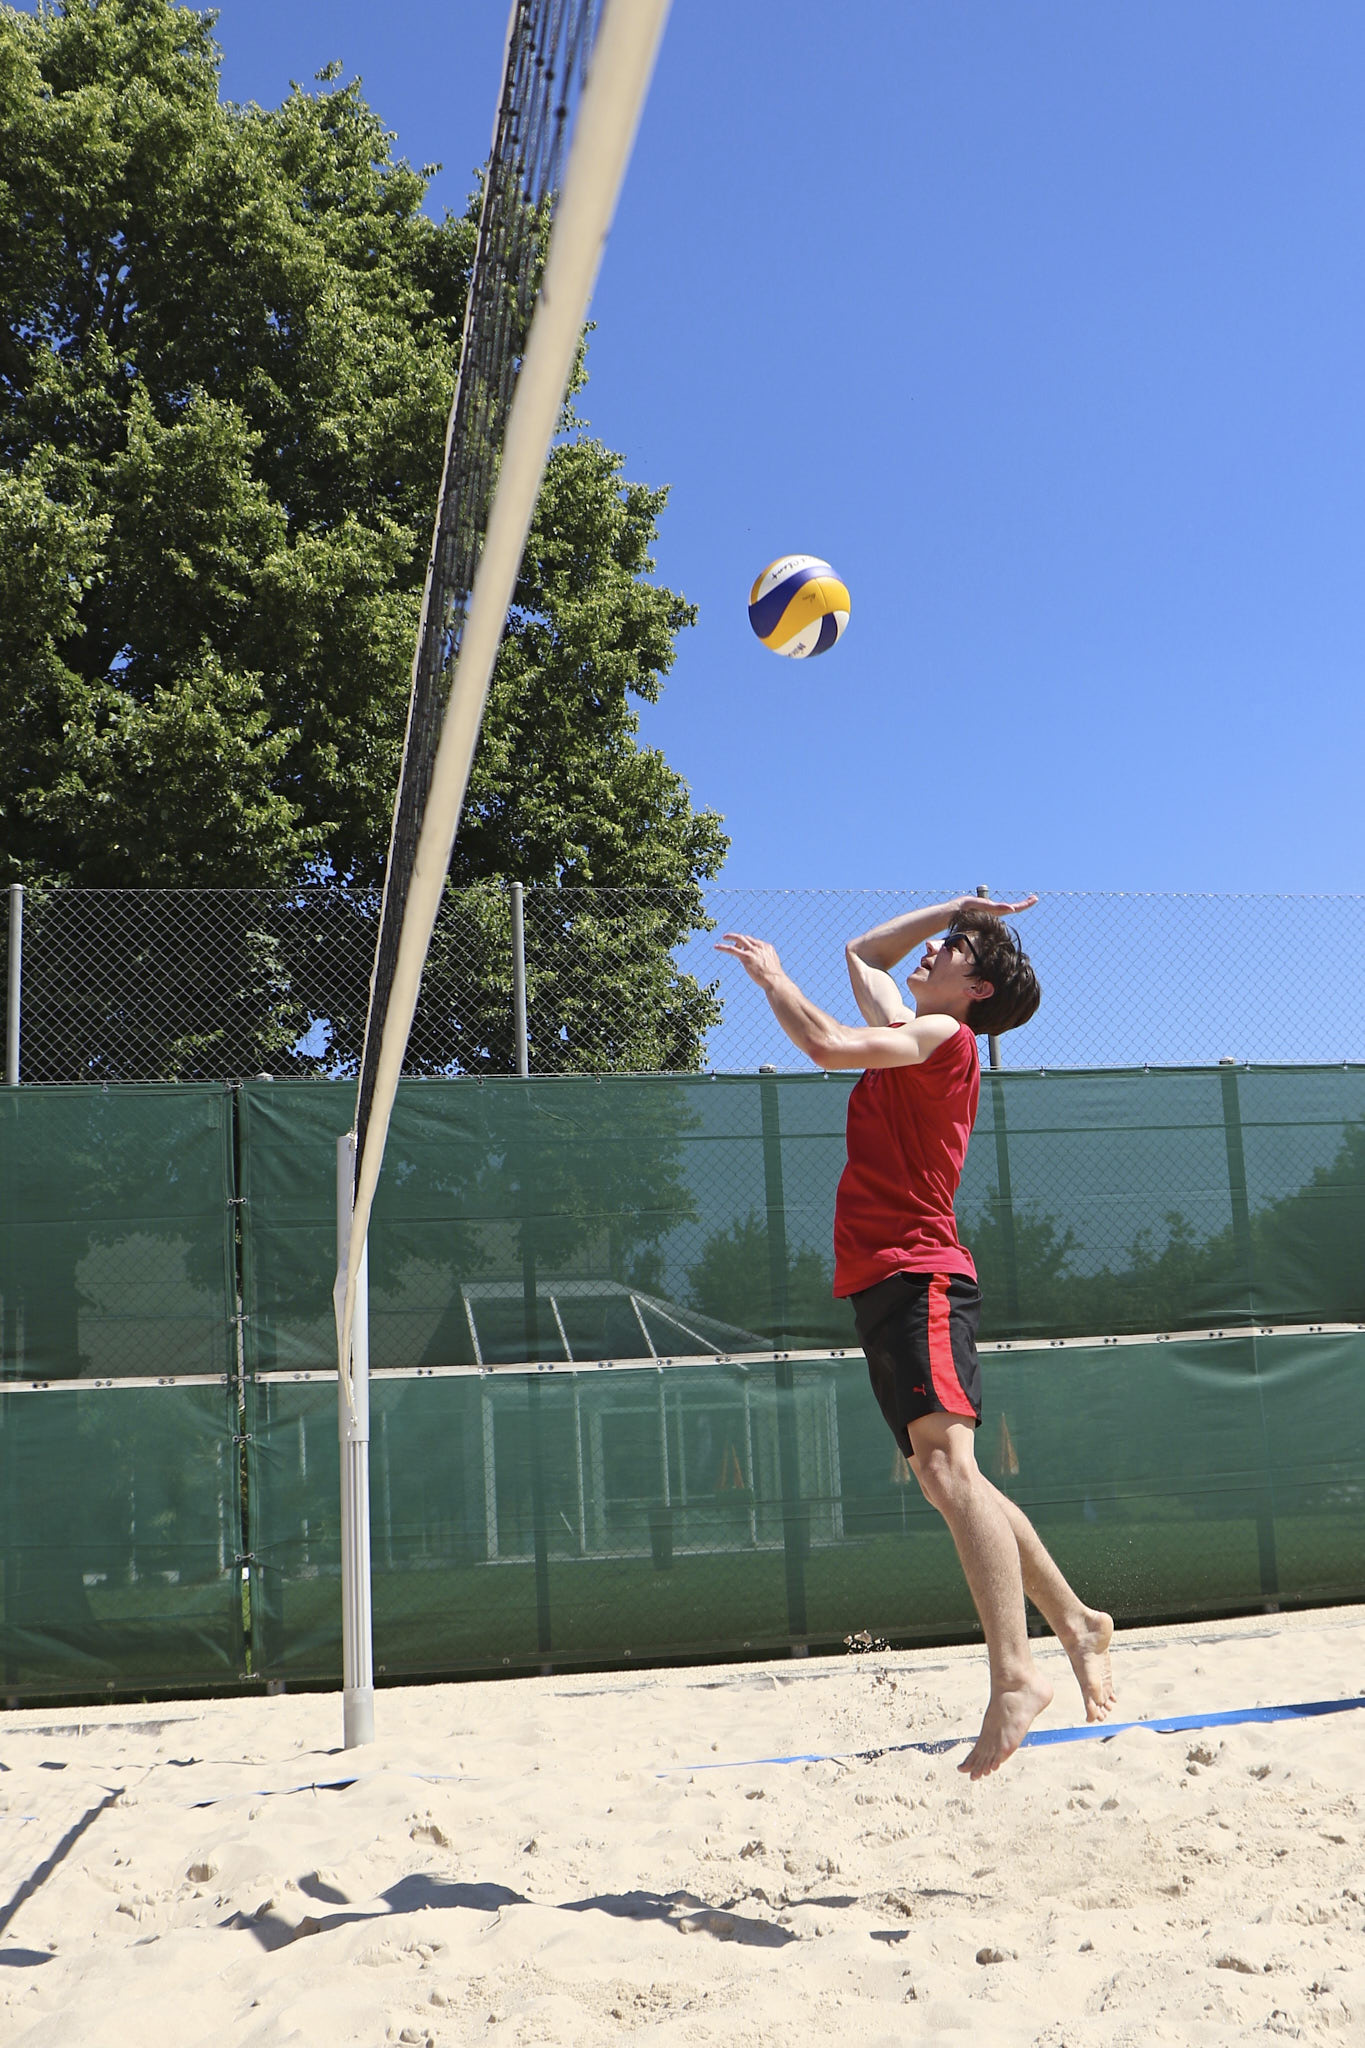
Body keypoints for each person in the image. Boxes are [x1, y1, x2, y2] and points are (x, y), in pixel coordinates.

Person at [717, 895, 1114, 1779]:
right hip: (880, 1276)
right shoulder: (914, 1027)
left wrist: (773, 979)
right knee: (951, 1478)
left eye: (953, 945)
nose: (932, 947)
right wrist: (957, 906)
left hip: (920, 1273)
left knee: (946, 1472)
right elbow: (863, 951)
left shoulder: (944, 1038)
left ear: (976, 988)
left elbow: (825, 1044)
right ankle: (1077, 1623)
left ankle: (1015, 1675)